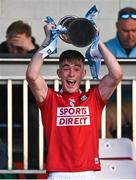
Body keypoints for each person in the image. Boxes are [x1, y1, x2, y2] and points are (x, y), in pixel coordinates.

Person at [26, 22, 122, 180]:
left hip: (88, 172)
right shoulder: (50, 99)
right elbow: (32, 75)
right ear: (59, 73)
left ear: (83, 73)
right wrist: (47, 41)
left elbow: (117, 74)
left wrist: (97, 40)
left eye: (76, 68)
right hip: (58, 173)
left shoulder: (93, 98)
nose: (71, 73)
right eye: (66, 68)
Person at [0, 20, 40, 178]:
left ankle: (32, 175)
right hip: (3, 104)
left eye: (20, 46)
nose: (15, 51)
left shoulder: (39, 52)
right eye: (12, 46)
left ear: (29, 40)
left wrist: (30, 50)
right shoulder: (1, 50)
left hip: (29, 105)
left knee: (35, 121)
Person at [104, 7, 136, 141]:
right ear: (117, 26)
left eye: (134, 30)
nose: (130, 35)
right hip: (112, 104)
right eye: (125, 30)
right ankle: (110, 158)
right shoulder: (104, 49)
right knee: (97, 122)